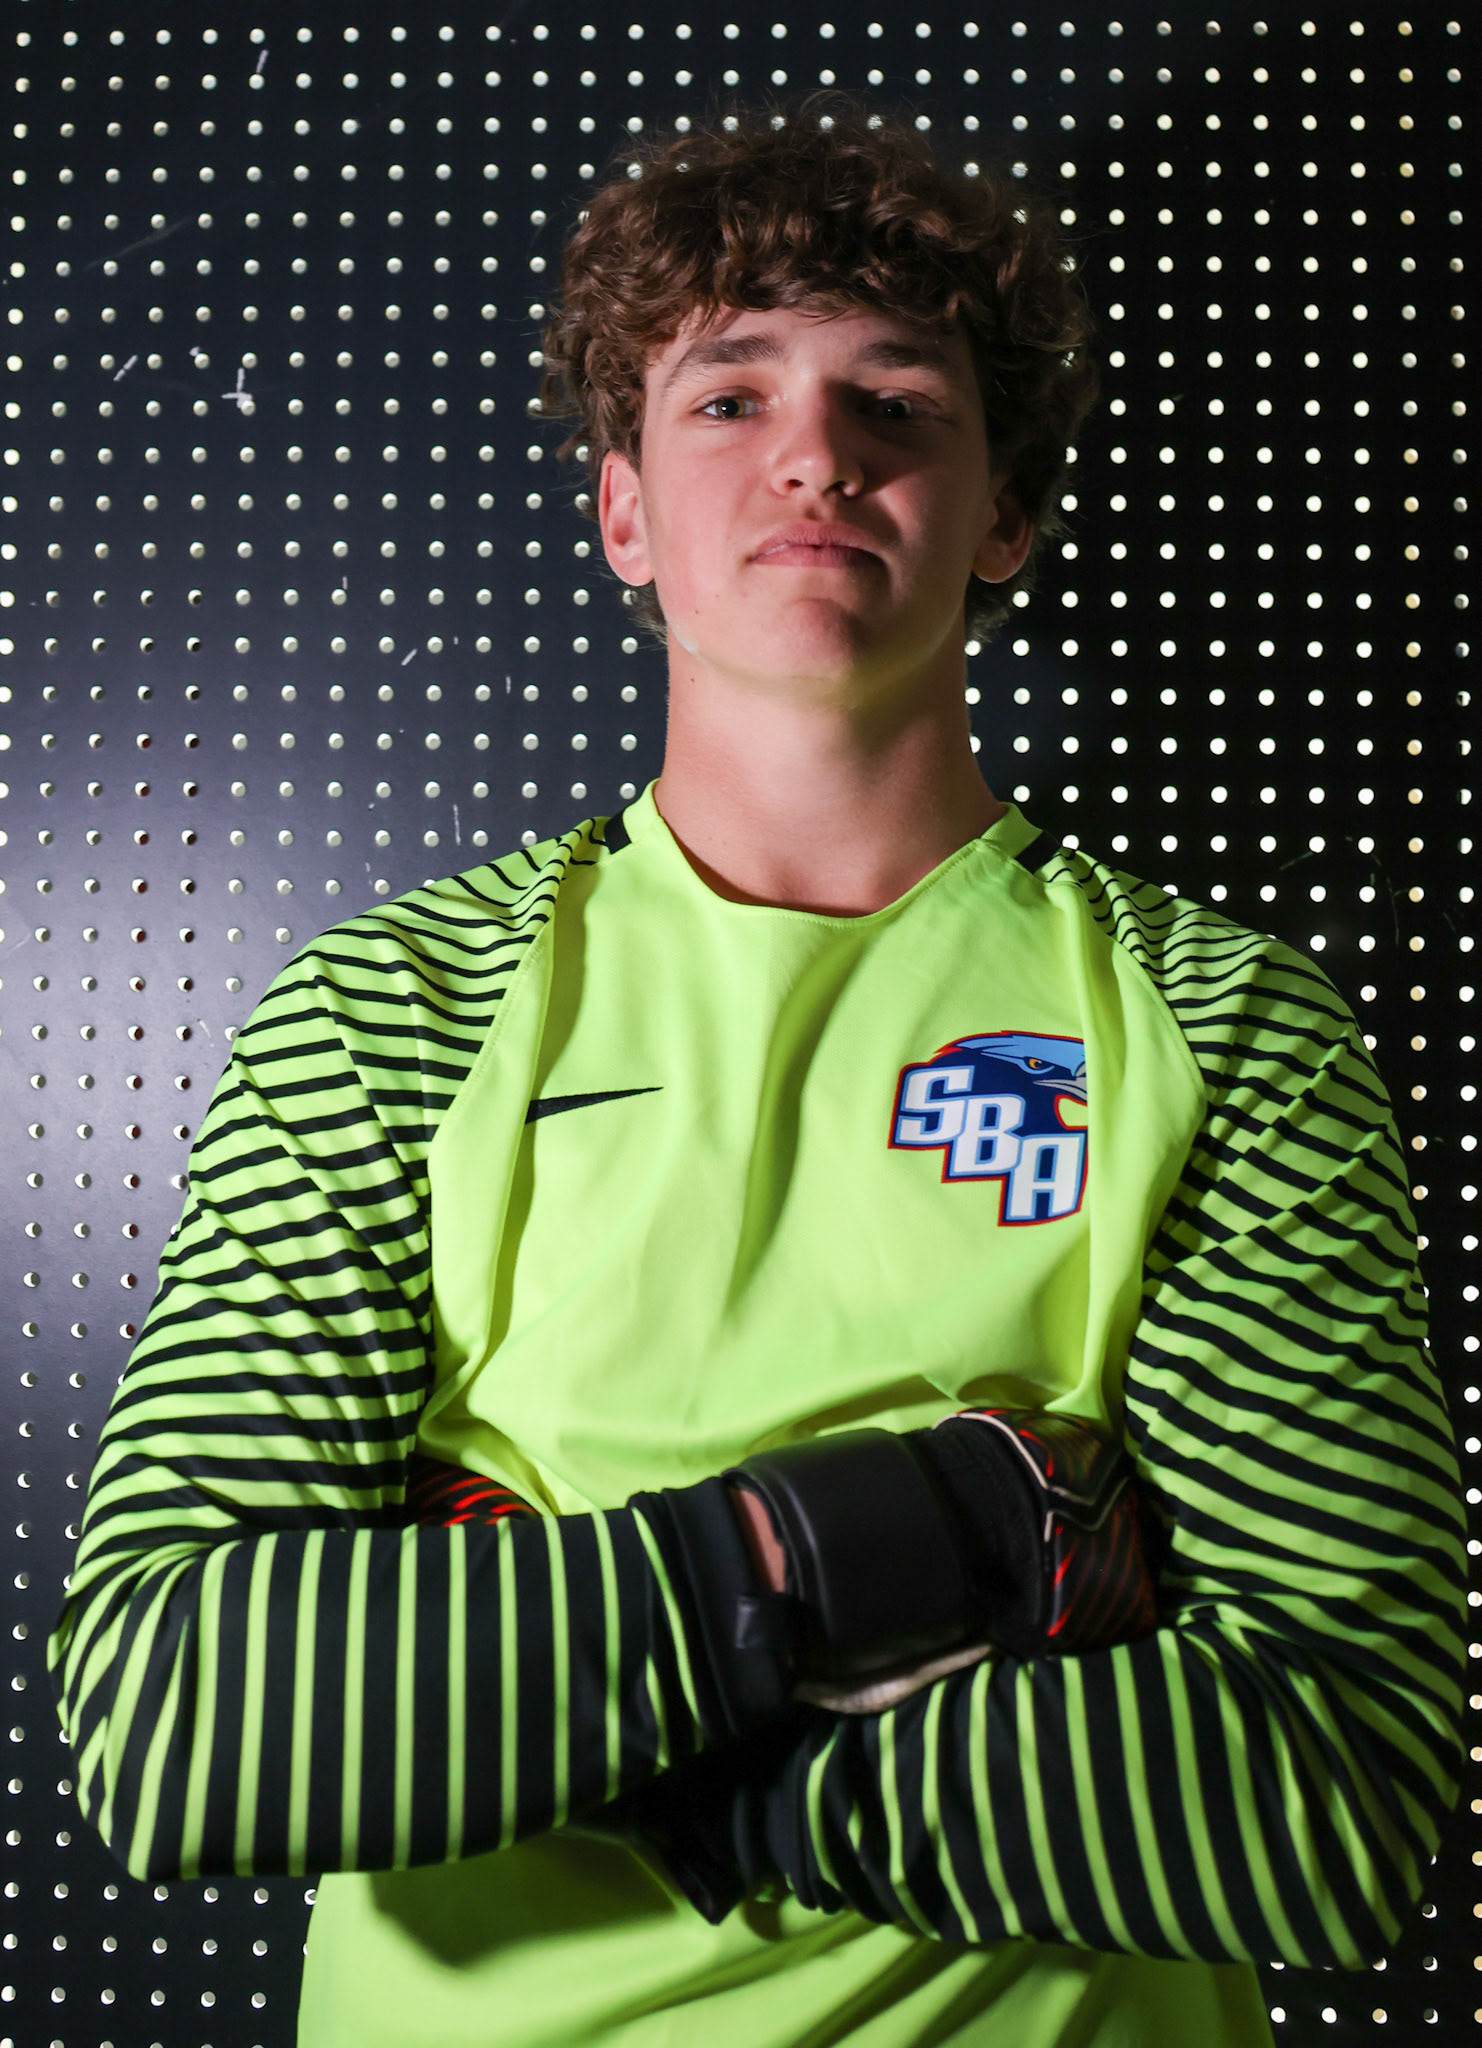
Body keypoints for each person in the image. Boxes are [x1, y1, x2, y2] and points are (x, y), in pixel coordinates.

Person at [48, 91, 1466, 2048]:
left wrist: (583, 1704)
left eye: (902, 399)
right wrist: (926, 1543)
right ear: (623, 508)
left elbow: (1332, 1799)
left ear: (1011, 514)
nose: (815, 448)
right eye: (729, 397)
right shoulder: (392, 1011)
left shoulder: (1215, 1022)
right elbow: (187, 1714)